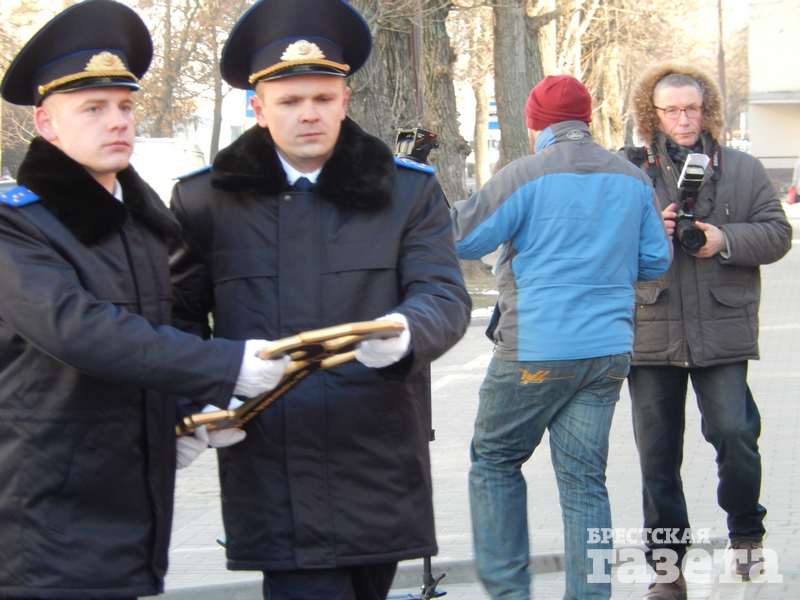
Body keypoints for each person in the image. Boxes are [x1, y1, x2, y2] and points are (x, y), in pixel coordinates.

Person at [167, 1, 472, 598]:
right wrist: (193, 403)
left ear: (344, 101)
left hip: (378, 456)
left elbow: (442, 293)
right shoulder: (206, 201)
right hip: (272, 463)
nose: (309, 113)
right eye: (289, 101)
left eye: (322, 98)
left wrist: (407, 331)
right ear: (258, 109)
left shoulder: (406, 192)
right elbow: (177, 319)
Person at [0, 1, 289, 598]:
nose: (117, 122)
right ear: (47, 124)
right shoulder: (16, 225)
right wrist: (224, 366)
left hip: (129, 505)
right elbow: (80, 330)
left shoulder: (138, 224)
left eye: (125, 106)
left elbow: (148, 346)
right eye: (93, 108)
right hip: (39, 513)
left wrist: (182, 415)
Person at [451, 75, 671, 600]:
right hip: (607, 351)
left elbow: (462, 236)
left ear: (535, 125)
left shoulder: (525, 174)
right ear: (586, 120)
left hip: (536, 349)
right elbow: (655, 260)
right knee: (584, 481)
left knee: (496, 460)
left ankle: (509, 593)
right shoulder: (632, 179)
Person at [623, 62, 792, 600]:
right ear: (652, 114)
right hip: (651, 331)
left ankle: (746, 534)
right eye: (671, 110)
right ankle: (667, 569)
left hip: (722, 328)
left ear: (707, 109)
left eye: (692, 108)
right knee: (657, 456)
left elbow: (777, 234)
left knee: (736, 435)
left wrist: (724, 239)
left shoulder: (741, 168)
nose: (683, 119)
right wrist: (648, 233)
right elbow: (598, 244)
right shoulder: (627, 171)